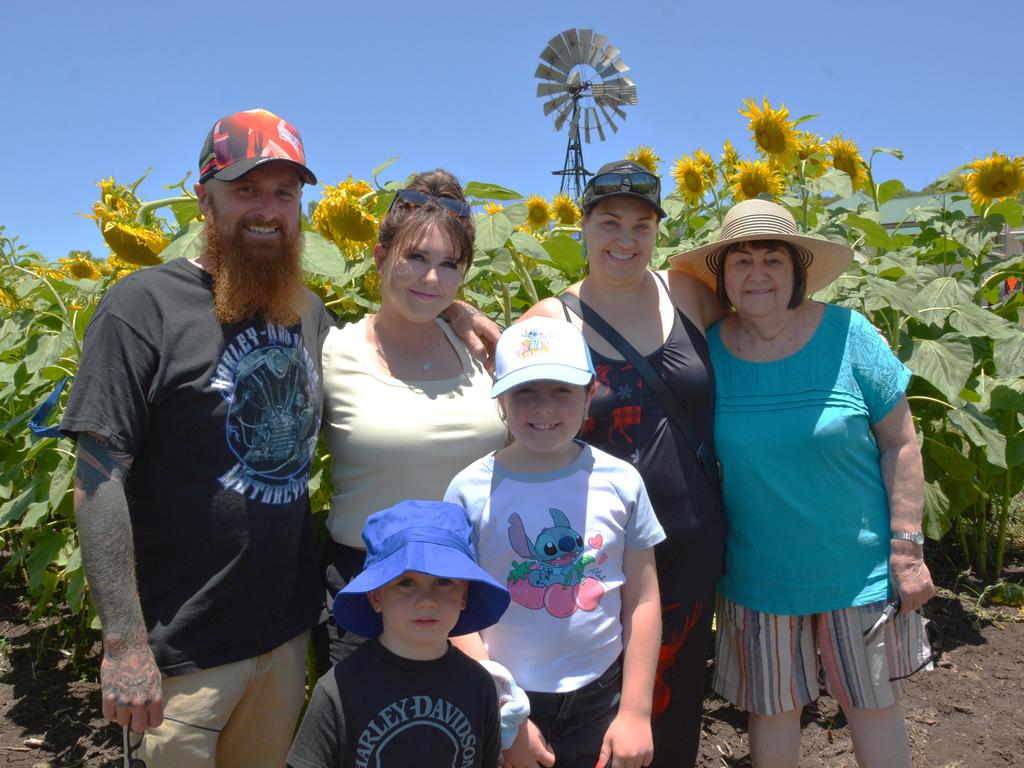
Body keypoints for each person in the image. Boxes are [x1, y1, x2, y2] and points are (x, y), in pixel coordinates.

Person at [59, 109, 496, 768]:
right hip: (184, 652)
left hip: (286, 637)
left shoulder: (306, 312)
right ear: (204, 198)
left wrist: (451, 306)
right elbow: (96, 477)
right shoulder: (141, 309)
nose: (268, 209)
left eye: (285, 193)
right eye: (246, 190)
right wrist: (123, 642)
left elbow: (397, 320)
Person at [669, 198, 936, 768]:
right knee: (772, 712)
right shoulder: (707, 355)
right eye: (740, 261)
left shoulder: (849, 335)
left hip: (857, 571)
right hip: (759, 573)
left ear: (798, 272)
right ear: (722, 277)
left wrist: (907, 549)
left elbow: (901, 442)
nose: (757, 274)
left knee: (872, 705)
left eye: (773, 260)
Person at [522, 160, 724, 766]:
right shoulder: (550, 322)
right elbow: (515, 408)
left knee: (675, 700)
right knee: (596, 708)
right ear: (582, 227)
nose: (625, 240)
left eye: (642, 225)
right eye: (609, 223)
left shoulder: (686, 293)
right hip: (594, 555)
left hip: (690, 545)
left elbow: (760, 328)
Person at [446, 316, 665, 768]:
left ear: (589, 398)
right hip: (503, 693)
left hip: (600, 694)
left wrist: (635, 712)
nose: (543, 408)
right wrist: (506, 712)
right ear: (501, 400)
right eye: (525, 392)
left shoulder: (622, 481)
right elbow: (455, 609)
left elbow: (642, 599)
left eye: (561, 391)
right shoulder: (468, 490)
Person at [316, 170, 506, 669]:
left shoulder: (484, 351)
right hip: (371, 587)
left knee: (476, 739)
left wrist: (459, 314)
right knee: (371, 740)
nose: (432, 279)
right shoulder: (332, 351)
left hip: (474, 585)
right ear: (380, 257)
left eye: (449, 265)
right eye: (416, 258)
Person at [289, 499, 511, 768]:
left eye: (444, 581)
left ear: (465, 595)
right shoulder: (338, 689)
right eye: (406, 583)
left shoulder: (479, 685)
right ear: (375, 596)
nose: (427, 600)